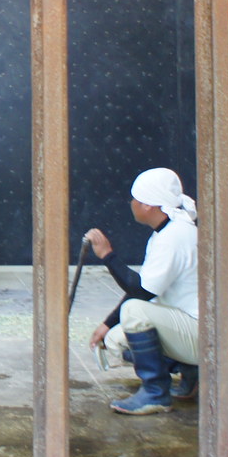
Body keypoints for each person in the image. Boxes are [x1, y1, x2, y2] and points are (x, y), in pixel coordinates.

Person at [85, 167, 200, 415]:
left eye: (135, 199)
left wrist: (107, 255)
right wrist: (107, 325)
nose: (132, 204)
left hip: (204, 337)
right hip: (197, 329)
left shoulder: (174, 237)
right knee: (114, 339)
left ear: (148, 205)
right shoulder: (170, 231)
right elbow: (145, 289)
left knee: (134, 312)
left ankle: (156, 393)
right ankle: (192, 372)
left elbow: (140, 292)